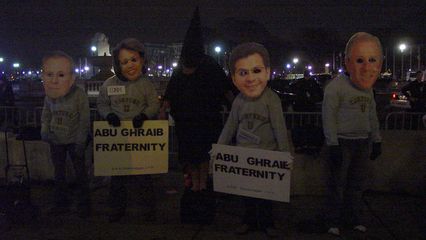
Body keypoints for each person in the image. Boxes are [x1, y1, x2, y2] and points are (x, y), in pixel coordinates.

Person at [159, 7, 234, 224]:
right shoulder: (181, 71)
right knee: (190, 159)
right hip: (186, 125)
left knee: (203, 158)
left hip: (206, 123)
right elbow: (169, 96)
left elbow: (226, 91)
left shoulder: (209, 66)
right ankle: (195, 187)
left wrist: (239, 110)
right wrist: (163, 110)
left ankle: (201, 187)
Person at [217, 42, 290, 237]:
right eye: (243, 73)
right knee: (247, 195)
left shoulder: (271, 99)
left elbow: (279, 127)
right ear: (234, 78)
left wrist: (285, 154)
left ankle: (267, 224)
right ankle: (249, 223)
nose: (250, 78)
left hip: (266, 156)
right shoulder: (239, 101)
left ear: (267, 72)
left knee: (266, 196)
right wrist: (219, 150)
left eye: (256, 71)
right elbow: (230, 126)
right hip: (244, 157)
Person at [322, 32, 383, 236]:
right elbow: (328, 116)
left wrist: (376, 140)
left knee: (357, 184)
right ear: (348, 63)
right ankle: (332, 221)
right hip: (342, 141)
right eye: (359, 60)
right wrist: (332, 143)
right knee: (337, 184)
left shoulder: (367, 88)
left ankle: (352, 219)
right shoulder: (335, 88)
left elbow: (372, 114)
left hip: (362, 140)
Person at [97, 38, 160, 223]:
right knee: (117, 178)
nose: (130, 65)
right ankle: (116, 209)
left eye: (133, 60)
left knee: (143, 177)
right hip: (118, 139)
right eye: (124, 62)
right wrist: (109, 115)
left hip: (140, 137)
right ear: (118, 64)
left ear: (142, 61)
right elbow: (102, 103)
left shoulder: (146, 84)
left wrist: (145, 116)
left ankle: (148, 211)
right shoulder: (109, 84)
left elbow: (154, 104)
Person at [40, 51, 91, 218]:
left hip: (74, 140)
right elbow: (46, 114)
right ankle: (61, 203)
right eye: (50, 74)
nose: (55, 80)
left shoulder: (79, 95)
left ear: (71, 77)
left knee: (80, 173)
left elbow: (84, 119)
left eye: (61, 75)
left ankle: (83, 205)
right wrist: (45, 130)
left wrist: (80, 140)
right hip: (56, 139)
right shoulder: (50, 95)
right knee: (59, 173)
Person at [289, 69, 324, 154]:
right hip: (309, 108)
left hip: (300, 108)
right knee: (310, 127)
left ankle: (301, 146)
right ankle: (310, 146)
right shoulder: (313, 83)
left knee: (300, 127)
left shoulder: (298, 83)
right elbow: (320, 95)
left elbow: (291, 92)